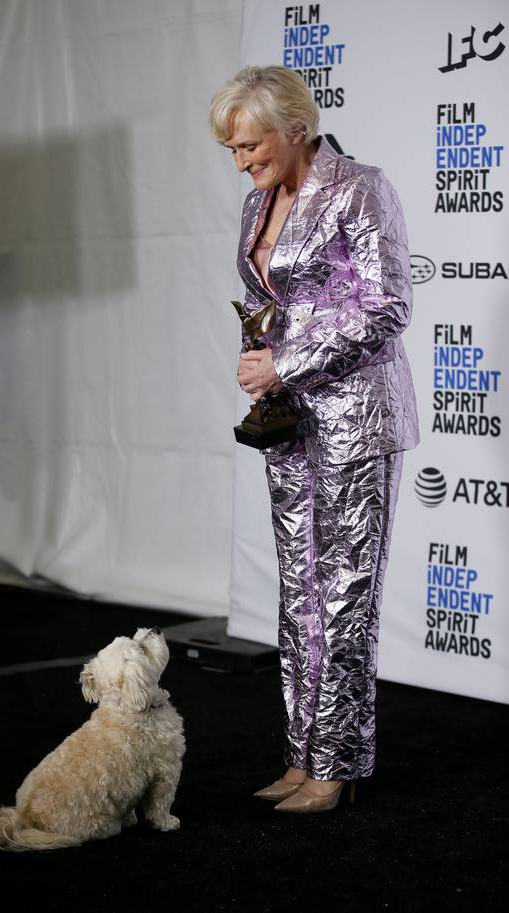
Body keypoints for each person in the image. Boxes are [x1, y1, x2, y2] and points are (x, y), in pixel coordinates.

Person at [208, 66, 419, 813]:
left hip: (358, 416)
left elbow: (388, 305)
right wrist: (258, 358)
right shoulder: (255, 203)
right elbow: (275, 302)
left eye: (250, 145)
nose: (241, 161)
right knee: (298, 594)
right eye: (233, 149)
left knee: (344, 596)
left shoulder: (360, 187)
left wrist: (287, 359)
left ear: (295, 128)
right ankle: (300, 756)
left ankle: (338, 763)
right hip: (290, 420)